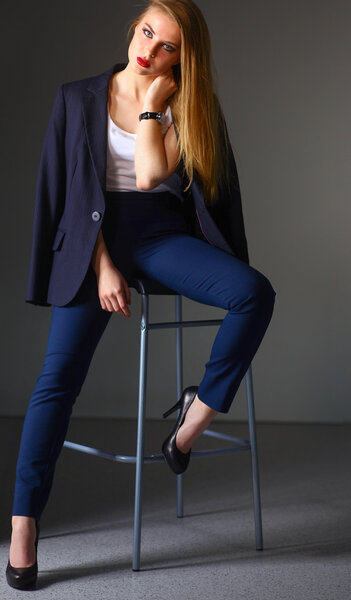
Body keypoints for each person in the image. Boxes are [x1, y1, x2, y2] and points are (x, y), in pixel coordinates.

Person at [6, 0, 276, 590]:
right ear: (134, 26)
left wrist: (154, 106)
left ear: (185, 57)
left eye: (167, 46)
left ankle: (191, 421)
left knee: (254, 294)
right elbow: (65, 195)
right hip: (91, 241)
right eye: (146, 32)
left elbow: (152, 178)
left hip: (159, 237)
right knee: (57, 381)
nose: (148, 51)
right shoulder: (76, 97)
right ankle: (24, 523)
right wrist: (102, 266)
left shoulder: (184, 107)